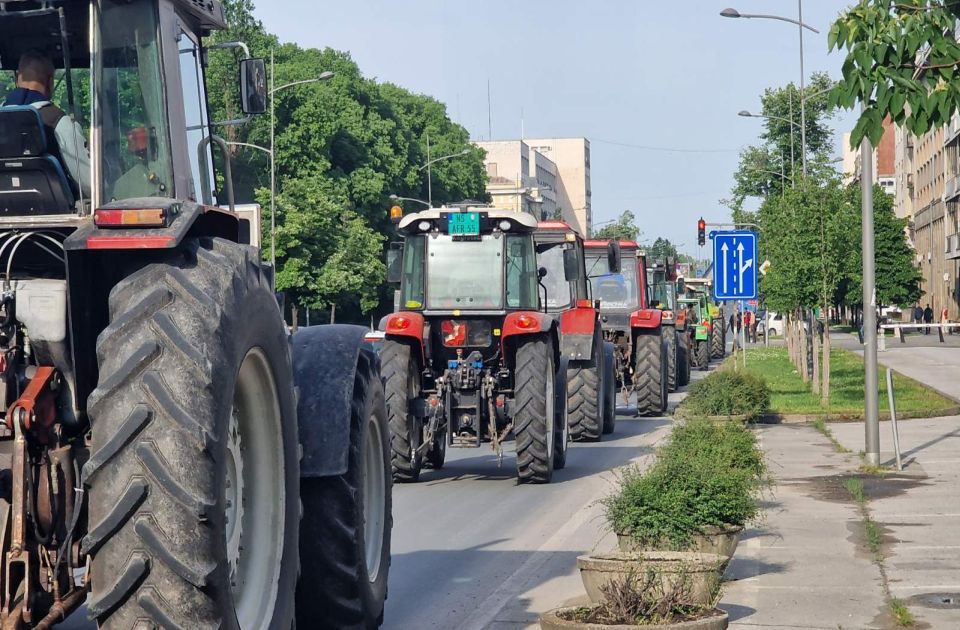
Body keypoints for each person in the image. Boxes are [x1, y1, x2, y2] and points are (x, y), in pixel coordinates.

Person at [2, 50, 90, 199]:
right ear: (50, 82)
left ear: (17, 80)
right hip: (57, 217)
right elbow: (88, 183)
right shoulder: (61, 123)